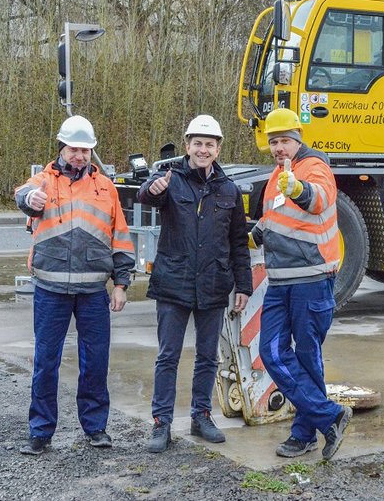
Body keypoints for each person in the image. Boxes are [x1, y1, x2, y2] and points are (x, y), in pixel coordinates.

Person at [14, 115, 135, 455]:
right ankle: (40, 432)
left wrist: (121, 283)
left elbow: (120, 237)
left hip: (94, 290)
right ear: (62, 148)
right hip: (50, 288)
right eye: (74, 149)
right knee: (45, 362)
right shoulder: (44, 182)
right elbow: (22, 195)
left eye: (85, 150)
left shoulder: (105, 187)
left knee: (95, 362)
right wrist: (29, 201)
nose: (80, 156)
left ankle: (95, 428)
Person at [137, 114, 252, 453]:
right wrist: (152, 187)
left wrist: (242, 286)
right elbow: (147, 195)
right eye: (197, 143)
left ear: (218, 150)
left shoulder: (229, 190)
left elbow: (238, 243)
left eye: (209, 145)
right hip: (173, 284)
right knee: (167, 356)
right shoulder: (169, 180)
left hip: (214, 285)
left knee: (207, 357)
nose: (203, 150)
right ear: (187, 146)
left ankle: (201, 416)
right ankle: (161, 423)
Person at [250, 107, 352, 460]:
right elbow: (275, 217)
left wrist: (298, 188)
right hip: (280, 280)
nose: (279, 147)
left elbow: (319, 198)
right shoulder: (277, 174)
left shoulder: (314, 167)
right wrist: (254, 235)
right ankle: (331, 416)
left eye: (284, 141)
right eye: (274, 141)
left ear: (298, 139)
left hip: (312, 278)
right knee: (273, 352)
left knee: (307, 357)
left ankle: (303, 434)